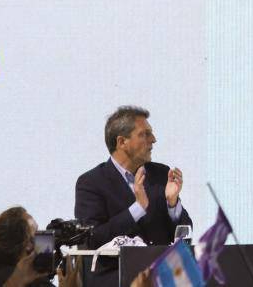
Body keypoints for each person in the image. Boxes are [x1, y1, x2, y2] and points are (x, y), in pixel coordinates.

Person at [74, 107, 190, 287]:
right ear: (122, 142)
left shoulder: (161, 174)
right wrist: (137, 209)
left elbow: (186, 230)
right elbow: (92, 239)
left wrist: (172, 203)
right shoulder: (91, 183)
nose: (153, 140)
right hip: (117, 279)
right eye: (145, 134)